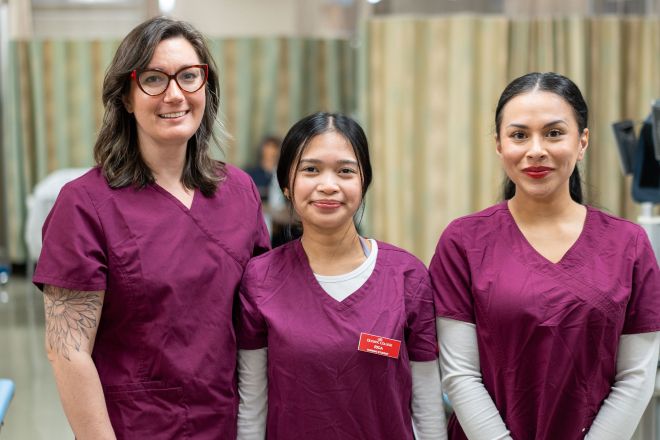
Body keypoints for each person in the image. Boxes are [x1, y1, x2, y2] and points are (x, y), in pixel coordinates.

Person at [33, 17, 270, 439]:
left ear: (206, 87)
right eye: (154, 79)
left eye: (189, 76)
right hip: (134, 428)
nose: (174, 94)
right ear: (126, 95)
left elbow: (260, 321)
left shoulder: (239, 192)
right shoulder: (85, 204)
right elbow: (68, 351)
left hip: (227, 422)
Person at [430, 72, 660, 440]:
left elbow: (636, 377)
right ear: (499, 145)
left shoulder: (628, 245)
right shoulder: (463, 242)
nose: (536, 150)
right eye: (519, 135)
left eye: (554, 133)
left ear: (582, 141)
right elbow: (460, 374)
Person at [236, 112, 448, 439]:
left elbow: (427, 408)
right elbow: (252, 407)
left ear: (364, 183)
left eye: (345, 171)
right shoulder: (260, 279)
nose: (328, 185)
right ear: (286, 186)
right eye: (311, 169)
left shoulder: (406, 276)